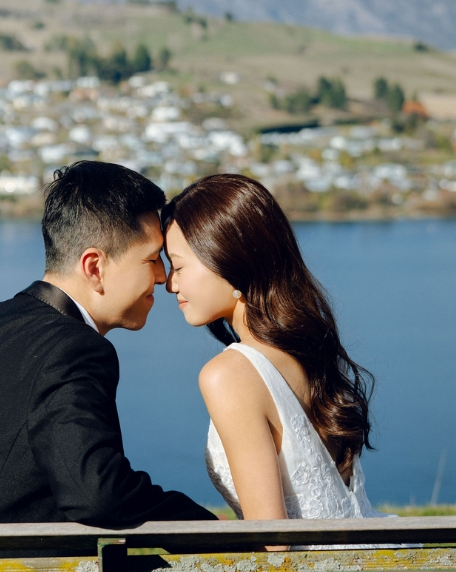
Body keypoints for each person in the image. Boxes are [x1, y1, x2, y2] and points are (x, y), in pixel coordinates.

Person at [0, 161, 215, 527]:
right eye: (151, 259)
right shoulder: (74, 348)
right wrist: (212, 529)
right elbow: (97, 494)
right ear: (94, 267)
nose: (163, 277)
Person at [162, 174, 381, 520]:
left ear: (225, 258)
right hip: (359, 562)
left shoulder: (229, 375)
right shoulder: (304, 348)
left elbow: (272, 541)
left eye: (178, 266)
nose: (170, 284)